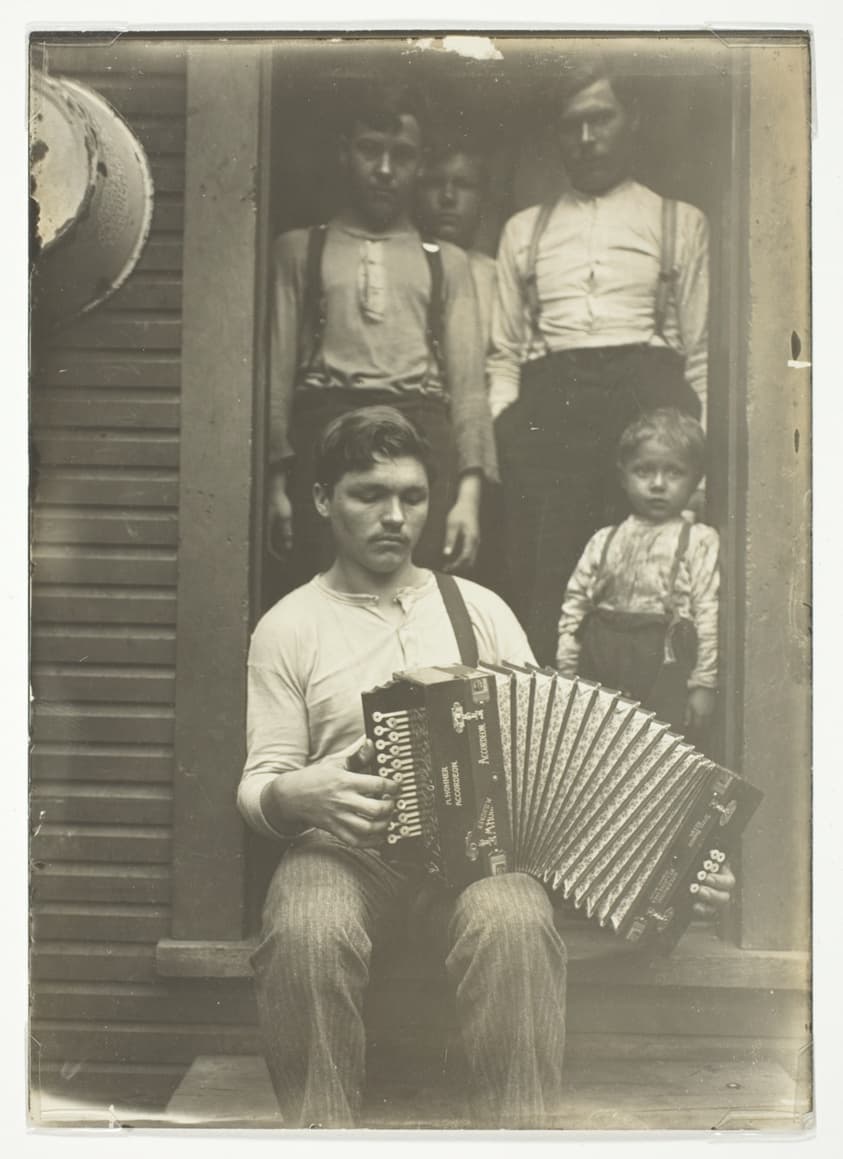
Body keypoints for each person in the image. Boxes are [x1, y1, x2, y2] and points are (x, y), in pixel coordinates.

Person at [238, 405, 733, 1129]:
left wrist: (683, 861)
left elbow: (562, 756)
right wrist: (295, 791)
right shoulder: (289, 624)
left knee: (515, 916)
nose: (394, 516)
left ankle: (517, 1134)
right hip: (348, 851)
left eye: (411, 496)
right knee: (308, 924)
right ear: (321, 499)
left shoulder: (478, 609)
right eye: (368, 494)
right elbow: (256, 785)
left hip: (474, 854)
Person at [489, 58, 709, 665]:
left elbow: (703, 357)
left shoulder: (679, 222)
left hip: (647, 401)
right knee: (550, 581)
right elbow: (505, 356)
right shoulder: (522, 231)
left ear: (630, 120)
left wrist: (703, 461)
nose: (586, 139)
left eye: (601, 119)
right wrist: (510, 436)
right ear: (555, 135)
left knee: (648, 580)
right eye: (571, 125)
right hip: (550, 410)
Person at [266, 83, 496, 592]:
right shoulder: (300, 250)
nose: (386, 170)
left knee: (414, 602)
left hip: (421, 446)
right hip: (326, 441)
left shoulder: (447, 263)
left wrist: (469, 497)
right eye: (371, 150)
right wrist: (276, 485)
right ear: (344, 152)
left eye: (404, 155)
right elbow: (276, 378)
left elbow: (470, 390)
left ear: (420, 164)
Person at [556, 409, 718, 738]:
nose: (658, 484)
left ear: (696, 477)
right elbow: (575, 610)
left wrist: (703, 685)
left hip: (661, 669)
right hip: (601, 666)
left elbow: (707, 614)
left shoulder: (698, 539)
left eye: (674, 472)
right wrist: (566, 672)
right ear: (623, 476)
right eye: (643, 471)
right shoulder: (604, 539)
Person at [416, 139, 497, 347]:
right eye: (435, 184)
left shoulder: (497, 279)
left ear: (483, 198)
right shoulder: (399, 264)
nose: (448, 197)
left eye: (463, 185)